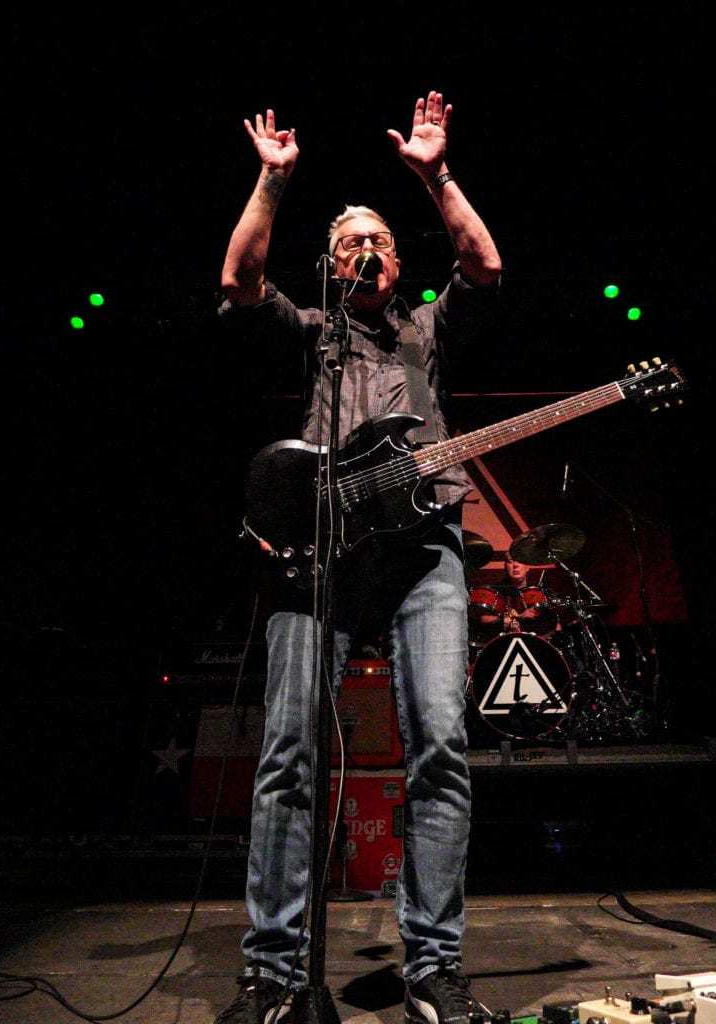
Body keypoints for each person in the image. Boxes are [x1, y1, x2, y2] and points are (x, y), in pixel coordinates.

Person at [215, 92, 501, 1024]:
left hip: (424, 547)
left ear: (398, 261)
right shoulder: (313, 334)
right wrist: (273, 182)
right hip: (321, 552)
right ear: (332, 266)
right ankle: (273, 972)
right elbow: (239, 278)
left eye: (378, 241)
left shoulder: (427, 328)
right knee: (288, 753)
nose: (367, 252)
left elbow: (485, 265)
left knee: (441, 745)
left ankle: (432, 969)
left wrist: (435, 175)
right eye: (350, 245)